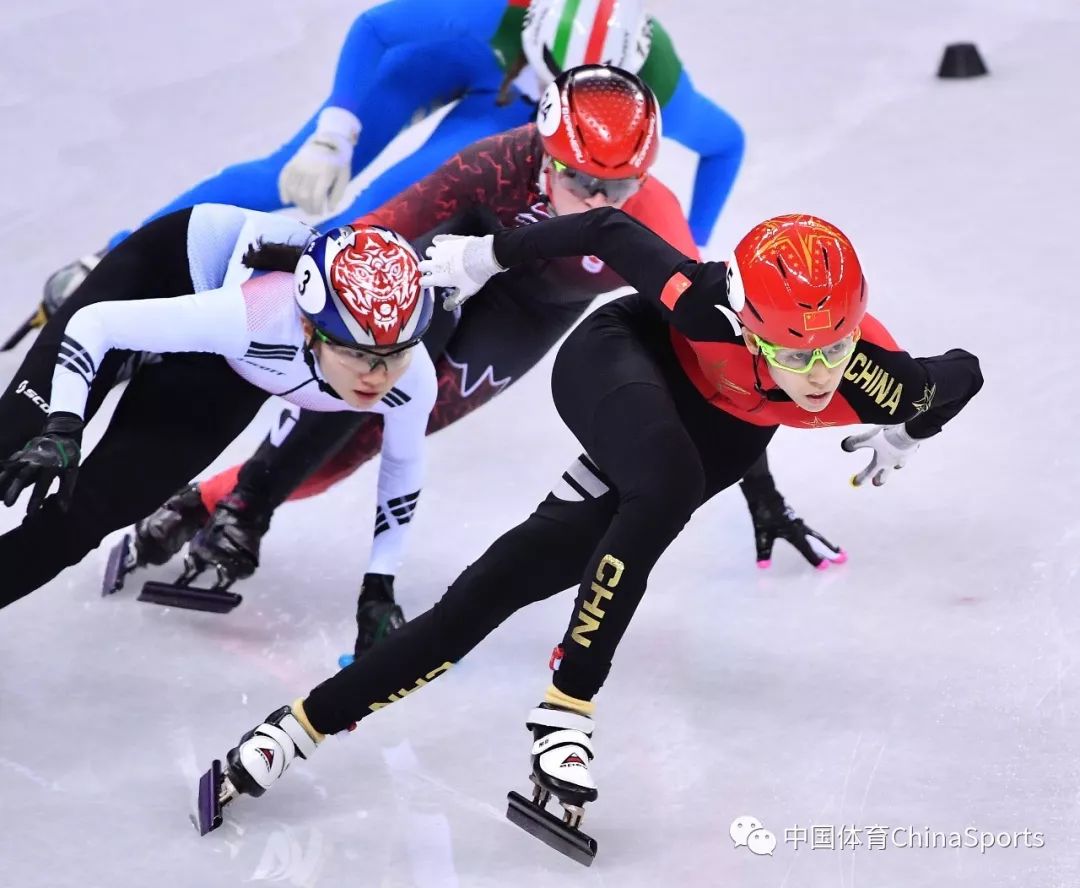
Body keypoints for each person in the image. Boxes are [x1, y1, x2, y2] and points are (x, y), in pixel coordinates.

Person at [195, 209, 982, 861]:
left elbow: (963, 373)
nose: (817, 376)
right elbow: (606, 229)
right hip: (622, 360)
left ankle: (294, 729)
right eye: (790, 351)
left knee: (497, 585)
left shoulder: (880, 381)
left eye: (833, 350)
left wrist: (908, 434)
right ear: (745, 323)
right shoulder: (705, 300)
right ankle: (566, 708)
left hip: (714, 439)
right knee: (665, 481)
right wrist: (482, 257)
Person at [123, 66, 835, 660]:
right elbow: (371, 241)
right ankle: (247, 506)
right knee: (370, 368)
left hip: (529, 316)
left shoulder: (649, 218)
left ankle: (206, 501)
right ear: (544, 156)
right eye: (581, 180)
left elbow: (718, 361)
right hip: (447, 268)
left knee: (367, 444)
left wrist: (756, 482)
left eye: (617, 188)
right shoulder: (494, 166)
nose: (597, 201)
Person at [34, 0, 742, 329]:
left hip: (508, 115)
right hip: (462, 63)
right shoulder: (489, 15)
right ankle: (117, 258)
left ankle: (229, 312)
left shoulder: (652, 85)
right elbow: (375, 28)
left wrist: (694, 243)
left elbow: (725, 143)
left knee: (363, 220)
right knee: (286, 175)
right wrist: (335, 132)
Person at [0, 208, 436, 607]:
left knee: (89, 516)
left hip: (229, 370)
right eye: (358, 355)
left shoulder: (411, 376)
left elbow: (401, 467)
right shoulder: (255, 319)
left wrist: (380, 581)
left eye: (395, 354)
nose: (377, 376)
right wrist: (61, 427)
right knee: (15, 435)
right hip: (169, 270)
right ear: (308, 329)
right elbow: (95, 325)